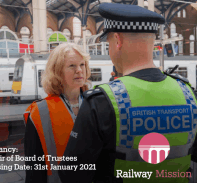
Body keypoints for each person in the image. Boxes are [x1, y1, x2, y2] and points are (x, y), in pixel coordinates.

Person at [58, 3, 197, 183]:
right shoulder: (189, 94)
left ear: (117, 40)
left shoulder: (101, 103)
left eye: (108, 42)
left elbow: (71, 174)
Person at [24, 43, 91, 183]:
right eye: (72, 66)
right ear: (57, 72)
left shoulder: (98, 103)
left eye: (82, 64)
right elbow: (34, 170)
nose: (79, 70)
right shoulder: (39, 113)